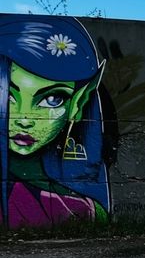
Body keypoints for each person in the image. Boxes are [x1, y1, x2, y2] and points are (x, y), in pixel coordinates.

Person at [0, 16, 110, 228]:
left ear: (78, 103)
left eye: (52, 99)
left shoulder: (83, 210)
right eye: (7, 95)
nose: (24, 119)